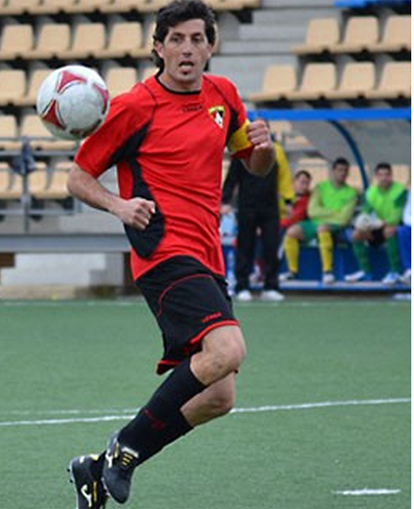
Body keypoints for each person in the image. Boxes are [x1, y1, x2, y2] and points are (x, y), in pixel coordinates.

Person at [64, 2, 275, 508]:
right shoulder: (134, 106)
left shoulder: (224, 95)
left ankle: (95, 469)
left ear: (211, 45)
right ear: (158, 47)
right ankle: (126, 449)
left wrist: (264, 148)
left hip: (208, 254)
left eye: (197, 39)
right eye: (176, 39)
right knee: (227, 351)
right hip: (163, 251)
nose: (187, 49)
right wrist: (119, 204)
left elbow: (256, 165)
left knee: (219, 396)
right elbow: (78, 176)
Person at [220, 139, 292, 302]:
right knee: (245, 246)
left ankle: (271, 286)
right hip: (247, 206)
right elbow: (232, 177)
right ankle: (242, 286)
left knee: (271, 247)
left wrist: (288, 200)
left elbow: (284, 177)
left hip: (271, 207)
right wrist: (225, 201)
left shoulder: (277, 150)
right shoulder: (242, 151)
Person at [281, 157, 357, 284]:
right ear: (333, 171)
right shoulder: (320, 187)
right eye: (339, 170)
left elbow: (343, 219)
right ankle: (292, 271)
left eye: (345, 170)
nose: (342, 173)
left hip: (337, 227)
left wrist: (325, 215)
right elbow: (312, 211)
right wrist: (334, 212)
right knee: (292, 232)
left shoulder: (351, 193)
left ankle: (327, 272)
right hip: (315, 223)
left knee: (323, 228)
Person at [344, 162, 407, 284]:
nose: (384, 178)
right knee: (356, 235)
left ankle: (395, 272)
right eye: (381, 175)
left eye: (387, 175)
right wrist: (364, 221)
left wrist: (380, 223)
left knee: (389, 230)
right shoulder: (371, 192)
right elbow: (365, 212)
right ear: (376, 177)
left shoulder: (399, 191)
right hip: (380, 226)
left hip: (398, 227)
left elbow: (397, 216)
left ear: (391, 176)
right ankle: (365, 272)